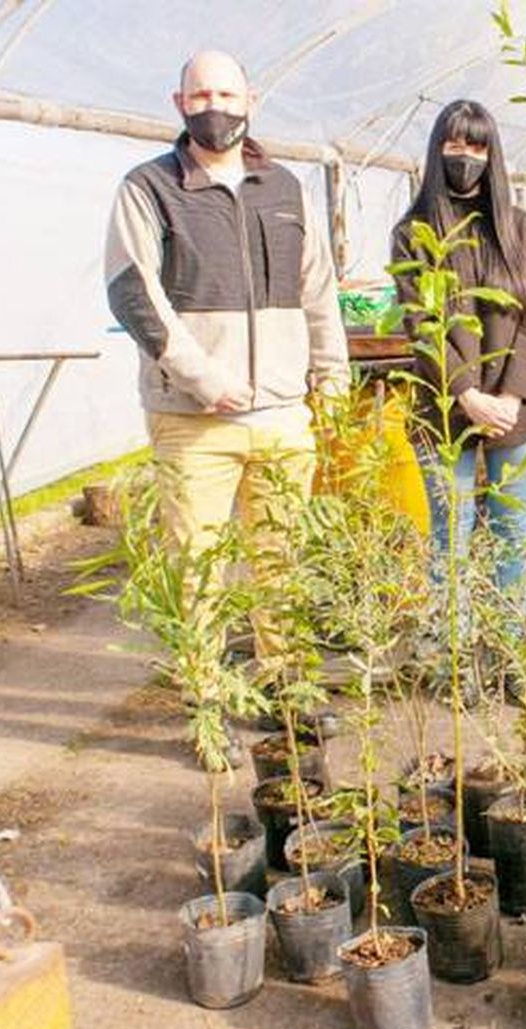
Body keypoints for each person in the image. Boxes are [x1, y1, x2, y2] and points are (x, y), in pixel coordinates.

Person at [105, 51, 348, 745]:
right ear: (179, 102)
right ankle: (207, 706)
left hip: (279, 415)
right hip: (193, 422)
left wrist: (330, 376)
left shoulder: (286, 189)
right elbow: (133, 295)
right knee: (198, 570)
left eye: (228, 92)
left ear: (251, 100)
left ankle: (288, 691)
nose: (216, 105)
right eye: (201, 93)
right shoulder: (149, 189)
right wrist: (203, 378)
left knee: (284, 564)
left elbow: (318, 291)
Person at [392, 100, 526, 624]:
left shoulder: (516, 228)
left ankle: (509, 645)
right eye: (455, 145)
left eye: (477, 146)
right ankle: (450, 652)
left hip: (514, 406)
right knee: (450, 530)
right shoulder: (414, 231)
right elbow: (421, 324)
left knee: (510, 531)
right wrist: (467, 393)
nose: (466, 156)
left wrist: (506, 396)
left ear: (492, 153)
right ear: (437, 150)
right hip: (444, 405)